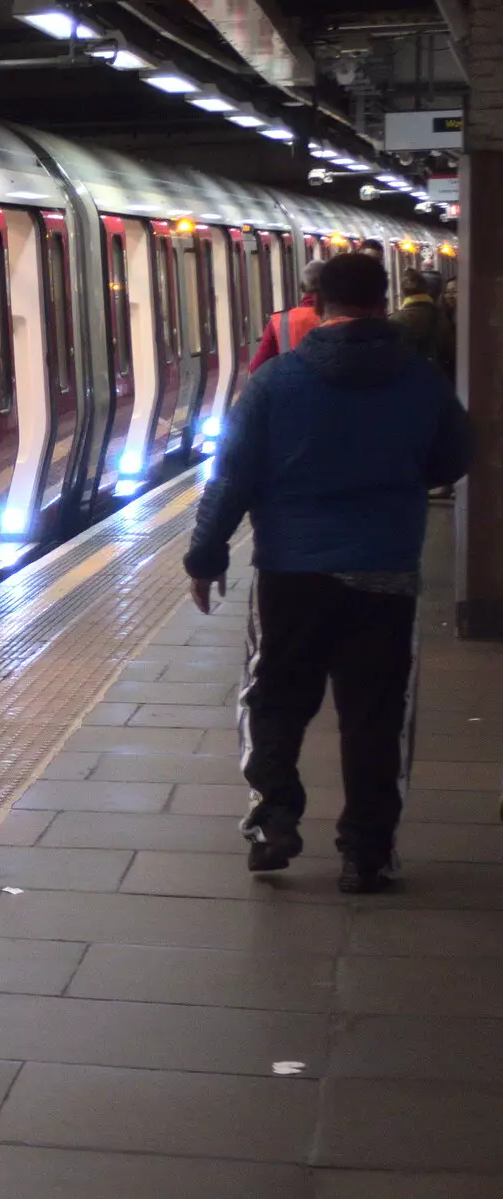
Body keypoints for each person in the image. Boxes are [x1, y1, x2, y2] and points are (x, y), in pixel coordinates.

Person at [183, 254, 470, 893]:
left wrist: (206, 555)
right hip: (386, 570)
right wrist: (397, 485)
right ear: (381, 299)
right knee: (375, 714)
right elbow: (454, 455)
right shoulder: (421, 381)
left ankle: (274, 822)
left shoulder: (276, 382)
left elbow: (232, 475)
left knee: (274, 700)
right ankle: (365, 854)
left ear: (320, 301)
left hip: (291, 571)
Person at [248, 259, 324, 373]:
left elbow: (256, 367)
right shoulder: (339, 317)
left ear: (302, 287)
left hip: (289, 387)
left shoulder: (280, 321)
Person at [390, 268, 456, 380]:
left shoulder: (395, 319)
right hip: (436, 380)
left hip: (406, 382)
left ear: (403, 292)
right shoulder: (442, 316)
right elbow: (451, 352)